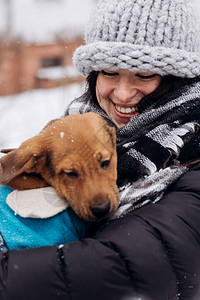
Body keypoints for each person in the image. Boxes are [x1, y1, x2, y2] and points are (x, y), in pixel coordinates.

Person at [1, 0, 200, 299]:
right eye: (109, 72)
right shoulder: (80, 132)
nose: (122, 94)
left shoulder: (192, 158)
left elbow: (123, 267)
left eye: (145, 74)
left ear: (180, 81)